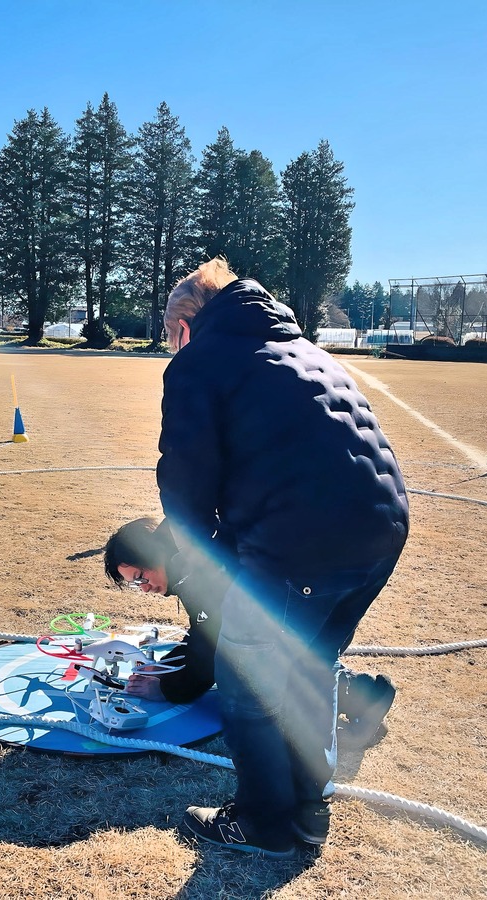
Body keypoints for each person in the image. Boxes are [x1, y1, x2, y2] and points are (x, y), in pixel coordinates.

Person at [157, 258, 410, 858]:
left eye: (169, 336)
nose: (170, 348)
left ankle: (268, 824)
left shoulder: (200, 363)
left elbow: (186, 488)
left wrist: (211, 570)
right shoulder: (303, 349)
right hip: (381, 529)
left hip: (304, 543)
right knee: (303, 668)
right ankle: (304, 813)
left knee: (248, 681)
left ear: (185, 326)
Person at [103, 516, 397, 737]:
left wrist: (169, 688)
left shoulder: (193, 567)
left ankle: (362, 695)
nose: (143, 588)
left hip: (329, 570)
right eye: (135, 583)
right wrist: (170, 668)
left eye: (140, 577)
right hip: (335, 560)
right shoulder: (186, 552)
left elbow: (211, 650)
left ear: (152, 555)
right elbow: (204, 630)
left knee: (260, 668)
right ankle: (359, 693)